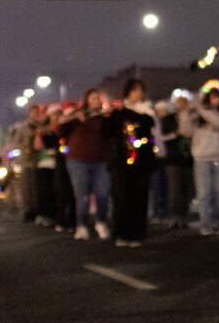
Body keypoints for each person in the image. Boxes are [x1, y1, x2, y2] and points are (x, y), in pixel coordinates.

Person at [107, 79, 160, 248]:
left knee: (140, 198)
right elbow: (107, 132)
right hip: (122, 162)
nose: (138, 93)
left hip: (142, 161)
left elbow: (147, 123)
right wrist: (110, 115)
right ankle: (121, 233)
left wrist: (125, 112)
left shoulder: (146, 110)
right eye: (135, 90)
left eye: (140, 90)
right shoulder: (119, 112)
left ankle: (137, 234)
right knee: (122, 198)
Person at [59, 89, 116, 240]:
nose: (95, 100)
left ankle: (101, 221)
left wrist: (88, 120)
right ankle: (81, 225)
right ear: (86, 100)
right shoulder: (77, 114)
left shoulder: (105, 117)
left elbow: (106, 133)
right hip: (78, 160)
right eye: (92, 98)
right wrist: (65, 120)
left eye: (98, 98)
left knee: (103, 193)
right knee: (82, 195)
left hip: (101, 160)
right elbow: (62, 132)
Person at [189, 87, 219, 234]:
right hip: (201, 158)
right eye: (212, 97)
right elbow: (186, 131)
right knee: (203, 193)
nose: (215, 100)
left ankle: (216, 222)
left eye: (217, 97)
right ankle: (205, 225)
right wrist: (185, 112)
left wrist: (201, 110)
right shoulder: (198, 117)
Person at [160, 91, 194, 229]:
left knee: (186, 189)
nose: (182, 106)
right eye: (180, 103)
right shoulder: (168, 119)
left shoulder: (192, 118)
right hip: (173, 159)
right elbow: (162, 137)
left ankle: (184, 216)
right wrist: (176, 134)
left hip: (188, 159)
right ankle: (174, 216)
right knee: (174, 190)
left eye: (184, 103)